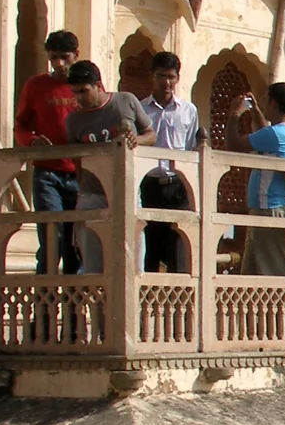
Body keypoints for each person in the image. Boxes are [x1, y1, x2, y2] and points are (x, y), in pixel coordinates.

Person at [62, 60, 154, 275]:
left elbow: (151, 135)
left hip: (127, 189)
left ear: (99, 86)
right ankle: (98, 309)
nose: (79, 98)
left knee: (132, 263)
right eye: (75, 93)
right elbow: (76, 159)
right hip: (92, 194)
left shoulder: (126, 102)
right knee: (94, 265)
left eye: (84, 91)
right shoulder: (74, 120)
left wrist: (136, 140)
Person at [12, 29, 82, 274]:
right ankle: (45, 308)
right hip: (48, 174)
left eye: (65, 57)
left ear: (76, 55)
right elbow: (20, 124)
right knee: (52, 240)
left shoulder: (85, 85)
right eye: (54, 58)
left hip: (80, 174)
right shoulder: (37, 86)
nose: (59, 64)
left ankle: (74, 311)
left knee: (76, 245)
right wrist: (31, 141)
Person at [223, 81, 285, 276]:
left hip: (268, 209)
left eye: (266, 100)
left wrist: (234, 114)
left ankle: (281, 306)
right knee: (253, 270)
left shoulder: (274, 134)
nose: (264, 103)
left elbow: (233, 144)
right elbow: (265, 134)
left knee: (272, 270)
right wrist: (257, 112)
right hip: (269, 208)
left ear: (274, 104)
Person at [138, 52, 199, 273]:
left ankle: (177, 303)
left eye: (171, 77)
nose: (166, 82)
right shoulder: (141, 109)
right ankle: (148, 303)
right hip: (150, 183)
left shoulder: (188, 111)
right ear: (152, 77)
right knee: (151, 244)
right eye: (161, 76)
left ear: (177, 78)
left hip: (177, 184)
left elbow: (192, 147)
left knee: (177, 245)